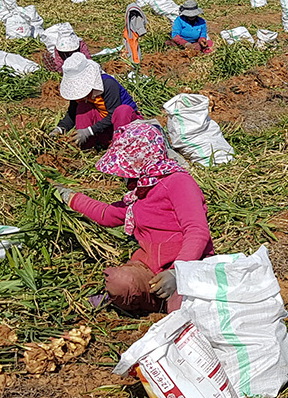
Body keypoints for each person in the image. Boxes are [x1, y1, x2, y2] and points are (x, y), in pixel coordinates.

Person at [53, 120, 215, 314]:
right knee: (119, 282)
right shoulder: (140, 191)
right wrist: (70, 197)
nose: (123, 176)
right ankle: (142, 303)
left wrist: (177, 273)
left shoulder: (178, 182)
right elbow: (107, 214)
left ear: (140, 159)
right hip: (150, 270)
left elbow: (197, 231)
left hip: (188, 268)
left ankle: (165, 308)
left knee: (184, 309)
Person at [50, 52, 141, 150]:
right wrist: (59, 129)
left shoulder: (107, 84)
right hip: (104, 127)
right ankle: (87, 146)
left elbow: (113, 114)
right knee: (83, 107)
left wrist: (89, 131)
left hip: (126, 124)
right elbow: (72, 113)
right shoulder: (79, 95)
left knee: (122, 111)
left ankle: (121, 147)